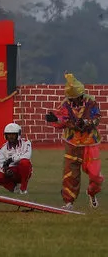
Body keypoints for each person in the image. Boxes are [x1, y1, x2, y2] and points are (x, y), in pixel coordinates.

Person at [46, 73, 103, 210]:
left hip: (90, 143)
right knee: (70, 174)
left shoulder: (91, 101)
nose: (74, 101)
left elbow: (97, 118)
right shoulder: (65, 104)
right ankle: (69, 202)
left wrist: (87, 123)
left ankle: (92, 193)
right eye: (71, 98)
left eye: (76, 98)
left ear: (81, 95)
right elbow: (62, 121)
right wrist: (54, 120)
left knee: (95, 174)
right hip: (72, 143)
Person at [0, 123, 32, 195]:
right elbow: (0, 163)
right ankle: (14, 188)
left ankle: (23, 188)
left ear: (18, 135)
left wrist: (12, 159)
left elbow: (27, 156)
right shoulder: (2, 148)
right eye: (8, 134)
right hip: (10, 171)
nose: (11, 137)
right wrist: (6, 170)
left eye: (13, 134)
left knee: (25, 162)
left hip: (23, 171)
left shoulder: (26, 142)